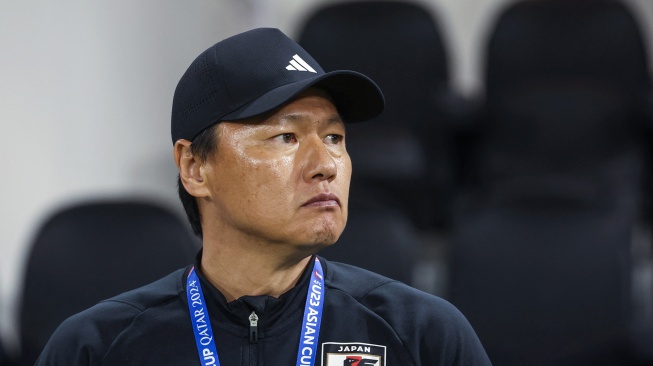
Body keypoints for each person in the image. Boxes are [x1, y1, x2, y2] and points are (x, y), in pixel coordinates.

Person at [36, 28, 491, 366]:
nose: (326, 164)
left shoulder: (424, 335)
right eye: (285, 137)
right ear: (195, 168)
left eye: (334, 137)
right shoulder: (95, 348)